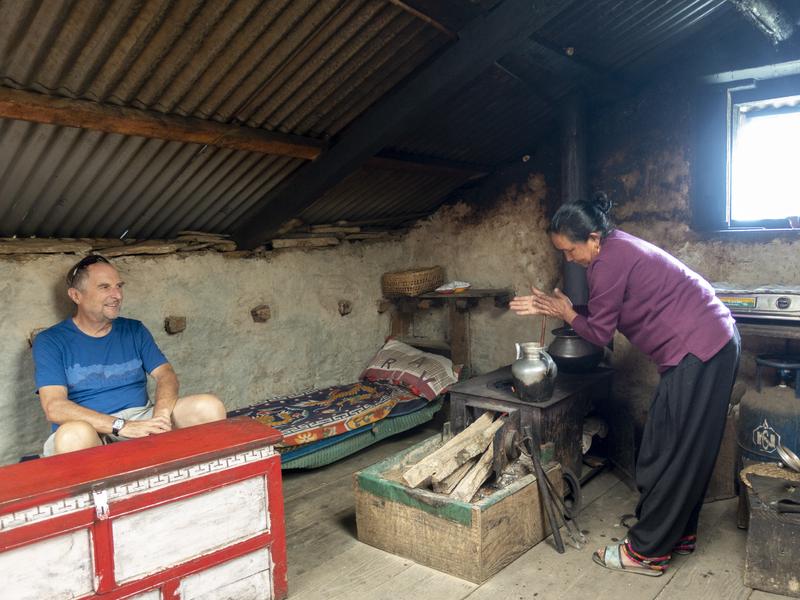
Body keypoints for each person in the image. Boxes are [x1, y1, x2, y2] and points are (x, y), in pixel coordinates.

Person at [510, 192, 739, 577]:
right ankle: (674, 532)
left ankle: (648, 552)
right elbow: (603, 310)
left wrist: (568, 311)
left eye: (569, 251)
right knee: (665, 444)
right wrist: (564, 309)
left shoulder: (610, 260)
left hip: (702, 349)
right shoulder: (614, 251)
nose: (569, 259)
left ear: (594, 239)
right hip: (698, 349)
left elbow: (599, 334)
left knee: (678, 450)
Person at [33, 255, 226, 456]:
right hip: (91, 429)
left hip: (141, 417)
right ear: (76, 296)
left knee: (208, 407)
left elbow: (165, 374)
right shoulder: (51, 341)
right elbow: (54, 407)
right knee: (73, 435)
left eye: (119, 286)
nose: (117, 295)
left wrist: (161, 415)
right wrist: (121, 426)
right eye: (104, 287)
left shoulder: (134, 330)